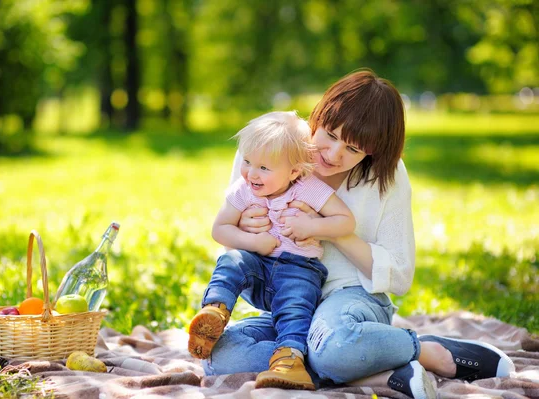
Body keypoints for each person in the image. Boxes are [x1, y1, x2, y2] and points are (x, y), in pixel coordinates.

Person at [201, 70, 515, 399]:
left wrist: (330, 228)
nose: (334, 154)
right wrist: (247, 227)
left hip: (350, 298)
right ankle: (380, 371)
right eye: (330, 134)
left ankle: (421, 349)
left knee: (334, 347)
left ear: (373, 152)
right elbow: (229, 237)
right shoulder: (269, 145)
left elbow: (399, 273)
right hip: (289, 303)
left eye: (353, 149)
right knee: (218, 356)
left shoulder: (387, 176)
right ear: (319, 115)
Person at [187, 111, 356, 391]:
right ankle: (214, 312)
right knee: (231, 260)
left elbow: (346, 221)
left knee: (295, 306)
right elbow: (220, 229)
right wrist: (252, 243)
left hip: (299, 268)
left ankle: (289, 360)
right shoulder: (245, 190)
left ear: (293, 172)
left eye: (264, 168)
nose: (252, 173)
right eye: (248, 162)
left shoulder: (308, 188)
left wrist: (310, 227)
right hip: (258, 266)